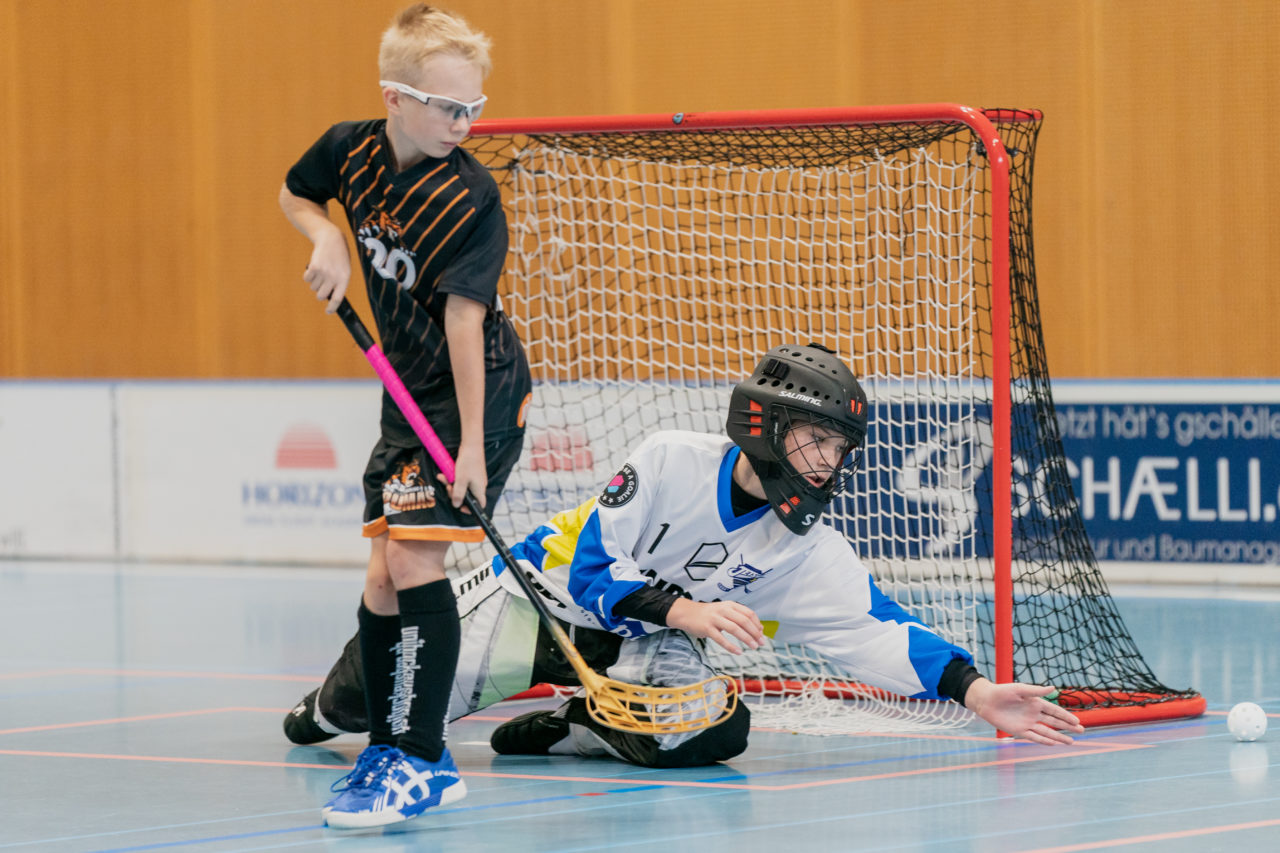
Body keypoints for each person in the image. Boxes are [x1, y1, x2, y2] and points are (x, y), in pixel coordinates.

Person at [284, 343, 1084, 827]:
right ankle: (323, 705)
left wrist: (976, 691)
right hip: (540, 603)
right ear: (767, 424)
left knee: (711, 733)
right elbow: (591, 569)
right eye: (817, 441)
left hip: (643, 648)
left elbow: (879, 630)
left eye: (839, 451)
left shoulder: (808, 548)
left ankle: (581, 726)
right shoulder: (671, 460)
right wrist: (690, 610)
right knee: (363, 708)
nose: (828, 464)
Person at [277, 3, 531, 830]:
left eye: (474, 108)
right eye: (449, 106)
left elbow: (465, 323)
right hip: (407, 393)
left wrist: (472, 447)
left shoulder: (471, 197)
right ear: (395, 97)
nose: (464, 124)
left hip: (475, 392)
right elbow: (295, 192)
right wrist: (326, 239)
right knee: (382, 575)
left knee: (417, 562)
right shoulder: (351, 150)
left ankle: (422, 760)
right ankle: (393, 746)